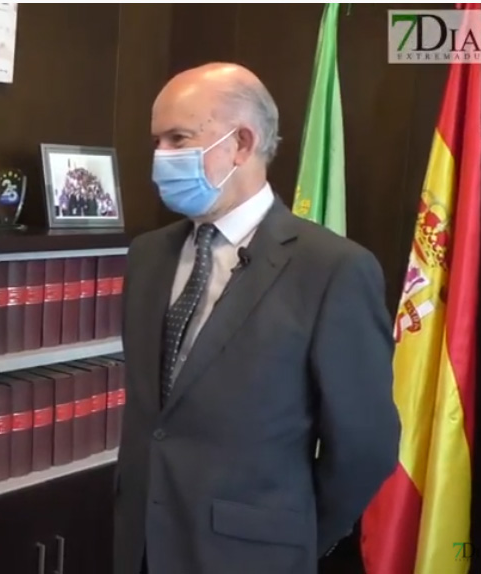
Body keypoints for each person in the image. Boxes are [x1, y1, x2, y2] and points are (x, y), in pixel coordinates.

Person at [113, 63, 400, 574]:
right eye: (156, 141)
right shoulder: (148, 255)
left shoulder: (332, 269)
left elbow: (365, 447)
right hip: (141, 546)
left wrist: (292, 536)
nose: (160, 158)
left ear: (241, 144)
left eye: (178, 139)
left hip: (254, 556)